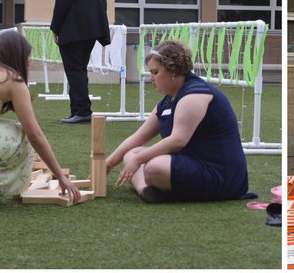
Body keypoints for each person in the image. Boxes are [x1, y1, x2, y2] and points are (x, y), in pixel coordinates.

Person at [0, 30, 80, 207]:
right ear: (18, 57)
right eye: (28, 56)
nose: (30, 60)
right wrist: (61, 177)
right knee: (22, 134)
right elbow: (35, 136)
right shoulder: (12, 80)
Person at [106, 40, 250, 203]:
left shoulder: (195, 95)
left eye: (155, 72)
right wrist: (107, 165)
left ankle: (159, 187)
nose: (151, 79)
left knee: (153, 167)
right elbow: (137, 137)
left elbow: (178, 140)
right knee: (131, 154)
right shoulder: (169, 99)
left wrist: (139, 161)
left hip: (220, 172)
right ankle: (145, 190)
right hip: (192, 161)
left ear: (173, 70)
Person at [51, 0, 111, 124]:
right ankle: (79, 110)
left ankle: (82, 110)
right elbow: (102, 1)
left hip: (73, 31)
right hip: (90, 31)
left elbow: (62, 2)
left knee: (74, 70)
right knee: (79, 69)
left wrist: (55, 28)